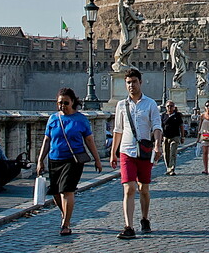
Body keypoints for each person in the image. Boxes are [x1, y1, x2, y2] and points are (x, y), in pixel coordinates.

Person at [36, 88, 103, 236]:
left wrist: (97, 160)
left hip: (73, 160)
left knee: (67, 190)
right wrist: (40, 160)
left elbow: (90, 141)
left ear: (73, 102)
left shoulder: (81, 120)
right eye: (60, 103)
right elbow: (47, 140)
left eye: (66, 103)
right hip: (55, 159)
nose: (63, 106)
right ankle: (65, 213)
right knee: (55, 192)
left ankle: (65, 224)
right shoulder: (53, 119)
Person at [110, 68, 163, 239]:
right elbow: (117, 130)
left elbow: (156, 126)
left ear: (140, 82)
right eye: (128, 82)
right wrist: (113, 153)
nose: (131, 85)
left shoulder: (150, 104)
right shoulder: (121, 106)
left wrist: (157, 145)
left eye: (134, 82)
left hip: (145, 152)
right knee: (129, 188)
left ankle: (145, 218)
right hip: (126, 151)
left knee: (144, 189)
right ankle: (128, 227)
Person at [112, 0, 144, 71]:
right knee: (131, 43)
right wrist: (140, 18)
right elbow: (134, 18)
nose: (133, 2)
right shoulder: (127, 7)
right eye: (133, 0)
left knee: (131, 44)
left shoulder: (127, 7)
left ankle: (125, 61)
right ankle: (120, 58)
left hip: (131, 28)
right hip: (129, 29)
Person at [161, 100, 184, 176]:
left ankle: (172, 168)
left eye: (171, 106)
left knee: (173, 152)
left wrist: (182, 136)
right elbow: (160, 126)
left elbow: (181, 126)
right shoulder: (163, 116)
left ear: (174, 107)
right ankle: (168, 167)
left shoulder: (177, 116)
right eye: (168, 106)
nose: (169, 107)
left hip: (175, 136)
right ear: (165, 107)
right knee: (166, 153)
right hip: (165, 137)